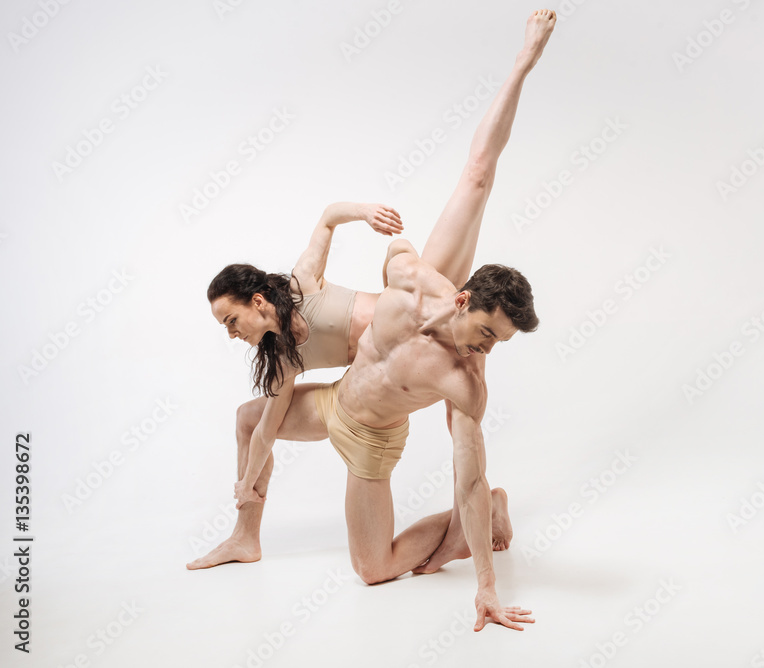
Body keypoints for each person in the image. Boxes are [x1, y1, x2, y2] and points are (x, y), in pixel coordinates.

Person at [191, 8, 557, 632]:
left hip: (396, 381)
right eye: (488, 336)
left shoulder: (444, 355)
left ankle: (522, 61)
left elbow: (332, 220)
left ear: (256, 303)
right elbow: (266, 424)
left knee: (475, 177)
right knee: (248, 419)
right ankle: (244, 537)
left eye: (231, 321)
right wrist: (249, 486)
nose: (233, 335)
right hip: (350, 391)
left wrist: (367, 217)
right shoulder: (293, 352)